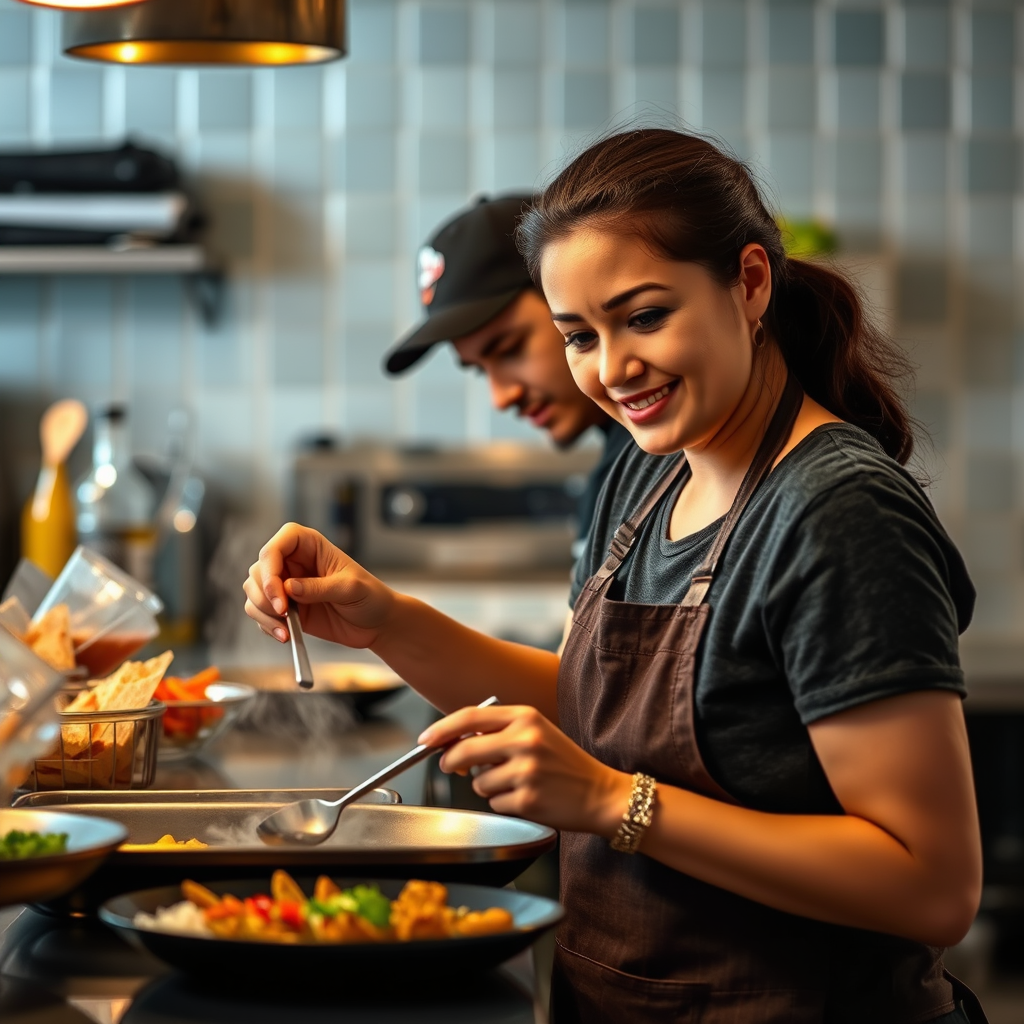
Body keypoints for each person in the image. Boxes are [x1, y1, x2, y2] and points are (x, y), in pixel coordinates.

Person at [245, 129, 984, 1023]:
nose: (611, 370)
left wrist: (610, 801)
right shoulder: (648, 470)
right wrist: (387, 622)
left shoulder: (837, 512)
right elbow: (584, 702)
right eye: (578, 336)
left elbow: (929, 886)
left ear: (751, 282)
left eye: (645, 317)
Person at [383, 194, 631, 551]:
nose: (501, 397)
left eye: (509, 350)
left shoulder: (665, 462)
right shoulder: (618, 472)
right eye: (480, 371)